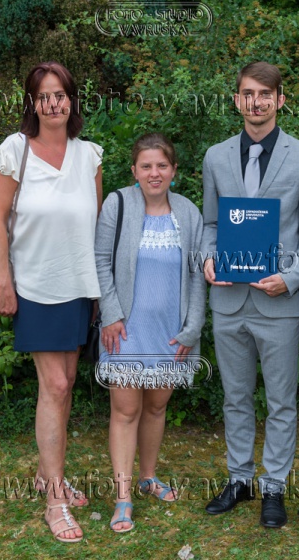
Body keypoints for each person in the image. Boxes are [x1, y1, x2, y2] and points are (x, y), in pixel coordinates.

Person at [200, 61, 299, 528]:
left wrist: (291, 278)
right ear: (237, 100)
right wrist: (207, 259)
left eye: (265, 94)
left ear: (280, 100)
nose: (257, 102)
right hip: (228, 300)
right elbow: (211, 224)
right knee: (235, 397)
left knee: (281, 402)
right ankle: (239, 479)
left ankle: (274, 487)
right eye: (248, 93)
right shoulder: (215, 157)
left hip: (279, 301)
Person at [0, 61, 102, 543]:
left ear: (72, 100)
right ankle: (55, 500)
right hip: (33, 286)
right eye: (44, 96)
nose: (53, 103)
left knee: (66, 382)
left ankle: (45, 473)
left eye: (61, 94)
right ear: (32, 104)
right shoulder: (15, 151)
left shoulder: (90, 155)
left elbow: (97, 225)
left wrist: (102, 291)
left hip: (78, 287)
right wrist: (4, 283)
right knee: (54, 384)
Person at [94, 133, 206, 534]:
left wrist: (192, 328)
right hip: (125, 330)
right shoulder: (118, 204)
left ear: (174, 170)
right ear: (134, 170)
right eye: (146, 166)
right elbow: (100, 261)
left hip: (170, 334)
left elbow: (198, 273)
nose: (154, 173)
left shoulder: (188, 212)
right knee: (126, 411)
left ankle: (148, 476)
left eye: (162, 165)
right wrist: (111, 314)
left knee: (157, 408)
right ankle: (123, 497)